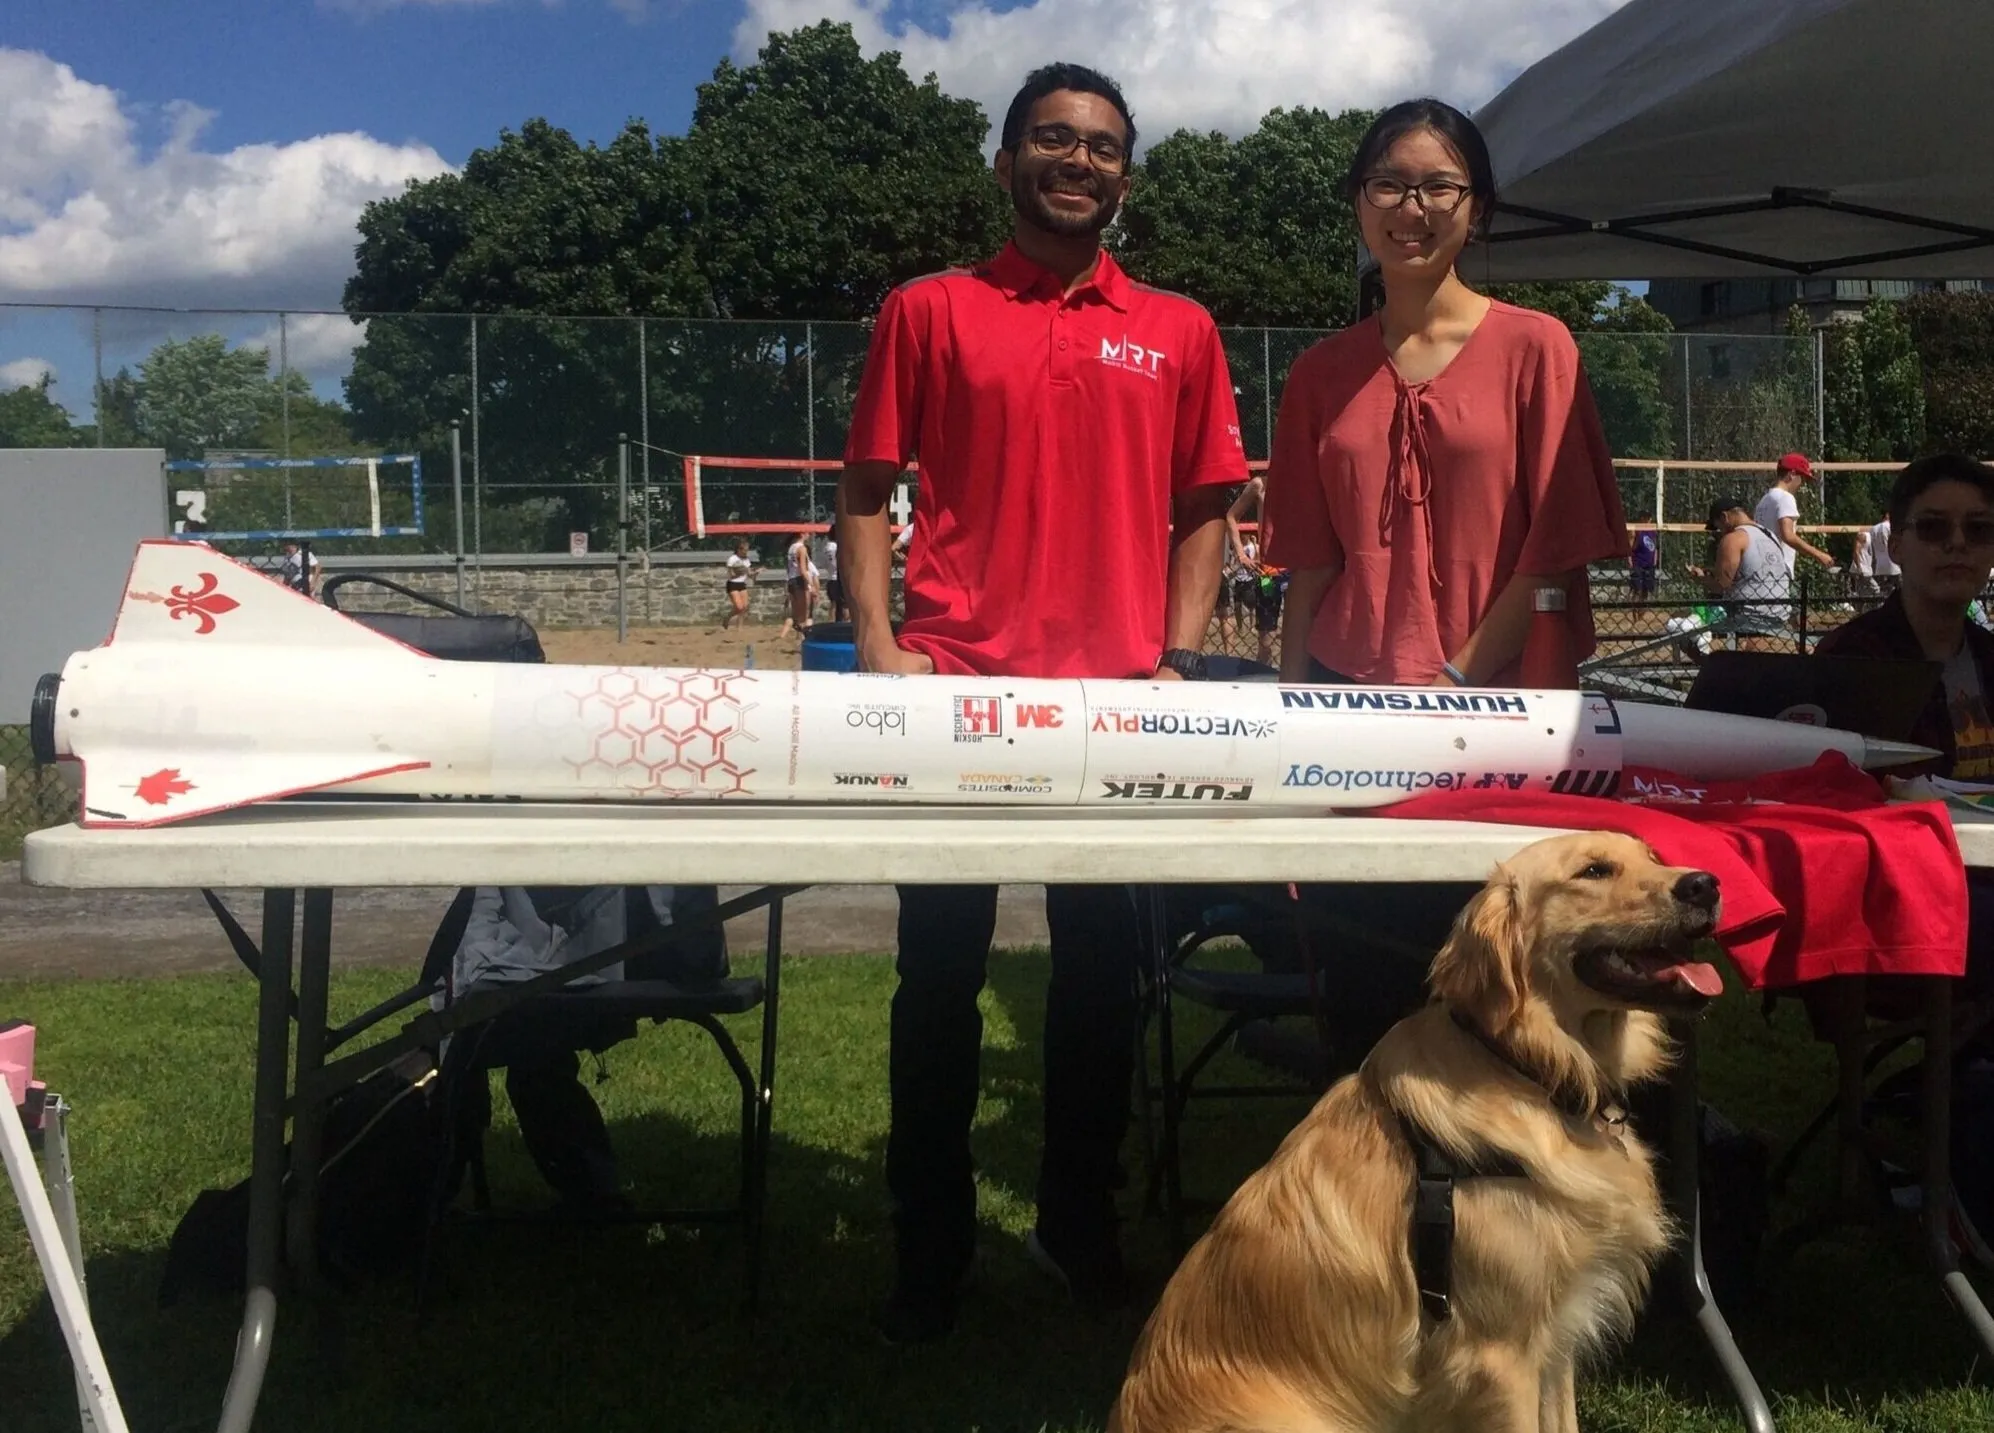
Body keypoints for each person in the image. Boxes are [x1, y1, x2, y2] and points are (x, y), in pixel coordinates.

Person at [836, 61, 1245, 1343]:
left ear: (1126, 175)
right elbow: (864, 484)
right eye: (1053, 140)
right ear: (1006, 159)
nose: (1078, 161)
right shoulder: (928, 310)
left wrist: (1174, 657)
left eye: (1103, 147)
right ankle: (927, 1249)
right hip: (955, 694)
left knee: (1101, 983)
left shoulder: (1176, 327)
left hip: (1116, 707)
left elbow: (1206, 506)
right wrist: (876, 642)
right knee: (937, 977)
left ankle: (1079, 1226)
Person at [1264, 98, 1628, 688]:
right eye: (1387, 184)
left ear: (1476, 210)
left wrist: (1452, 683)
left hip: (1500, 700)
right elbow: (1311, 569)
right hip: (1345, 699)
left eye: (1439, 187)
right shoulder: (1317, 374)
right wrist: (1292, 711)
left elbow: (1555, 557)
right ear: (1357, 201)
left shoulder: (1537, 349)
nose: (1411, 208)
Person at [1816, 455, 1994, 779]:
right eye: (1932, 527)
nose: (1957, 542)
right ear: (1895, 547)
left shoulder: (1989, 655)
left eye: (1978, 529)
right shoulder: (1848, 660)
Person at [1684, 497, 1792, 646]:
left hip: (1747, 617)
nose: (1720, 532)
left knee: (1681, 627)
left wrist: (1700, 579)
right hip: (1778, 615)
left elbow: (1721, 585)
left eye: (1718, 527)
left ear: (1724, 517)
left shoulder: (1733, 539)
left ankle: (1709, 663)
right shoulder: (1770, 535)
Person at [1755, 452, 1836, 574]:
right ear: (1792, 474)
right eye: (1802, 478)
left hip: (1761, 565)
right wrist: (1818, 554)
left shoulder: (1764, 499)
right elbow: (1788, 535)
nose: (1801, 484)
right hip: (1779, 568)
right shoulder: (1786, 498)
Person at [779, 530, 813, 640]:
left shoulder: (791, 548)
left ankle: (799, 634)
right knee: (804, 612)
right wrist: (810, 583)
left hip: (791, 579)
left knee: (797, 612)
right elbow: (802, 569)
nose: (809, 534)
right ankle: (802, 637)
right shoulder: (801, 548)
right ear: (802, 534)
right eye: (808, 533)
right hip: (799, 580)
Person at [722, 539, 757, 631]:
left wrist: (756, 572)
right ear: (739, 550)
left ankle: (739, 627)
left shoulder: (746, 560)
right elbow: (731, 575)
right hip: (733, 584)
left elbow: (749, 574)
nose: (746, 552)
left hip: (741, 584)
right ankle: (727, 618)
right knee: (739, 607)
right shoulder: (732, 559)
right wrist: (740, 573)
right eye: (745, 550)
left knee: (744, 607)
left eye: (747, 550)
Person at [1629, 527, 1661, 601]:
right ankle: (1635, 605)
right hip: (1638, 563)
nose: (1649, 520)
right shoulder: (1637, 530)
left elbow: (1655, 547)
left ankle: (1642, 605)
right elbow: (1631, 546)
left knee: (1646, 588)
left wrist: (1655, 561)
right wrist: (1629, 559)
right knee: (1637, 588)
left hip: (1649, 564)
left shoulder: (1653, 531)